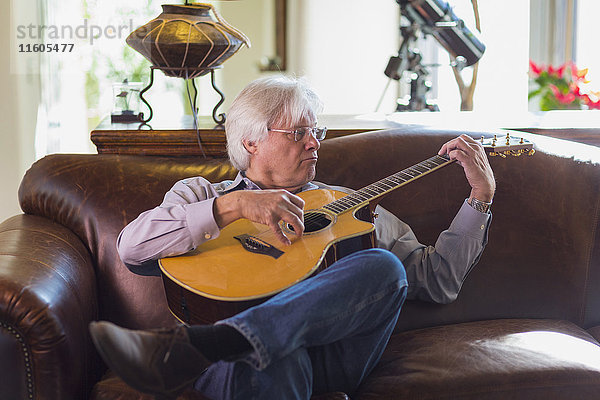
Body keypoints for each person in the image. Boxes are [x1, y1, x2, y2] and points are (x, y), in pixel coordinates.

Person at [89, 75, 495, 400]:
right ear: (251, 141)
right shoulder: (200, 195)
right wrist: (236, 207)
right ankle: (240, 342)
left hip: (331, 360)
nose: (314, 142)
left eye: (315, 131)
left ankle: (213, 342)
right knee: (273, 358)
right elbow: (132, 248)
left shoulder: (352, 207)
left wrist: (479, 198)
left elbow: (437, 280)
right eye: (298, 132)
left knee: (384, 266)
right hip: (245, 370)